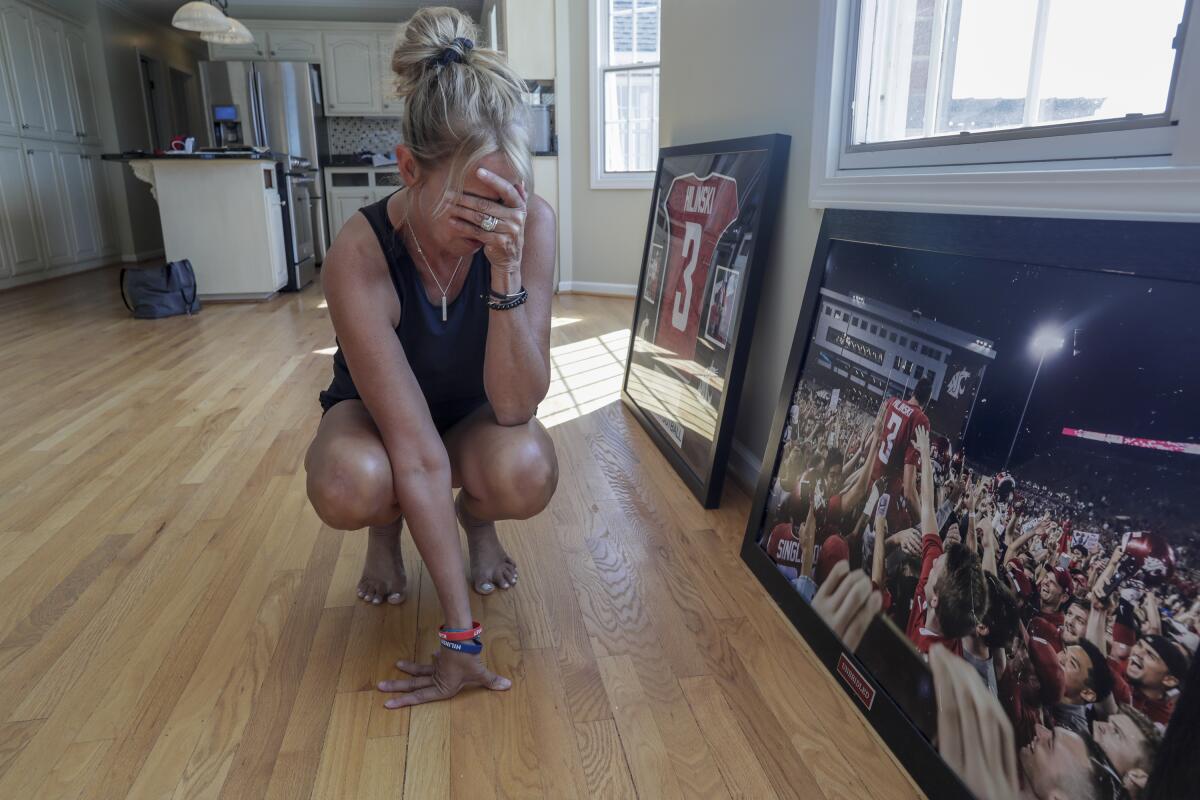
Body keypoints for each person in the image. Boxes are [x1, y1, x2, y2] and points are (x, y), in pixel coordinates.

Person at [303, 7, 558, 707]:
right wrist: (459, 638)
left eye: (507, 200)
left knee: (528, 467)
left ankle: (478, 521)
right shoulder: (358, 256)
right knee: (351, 481)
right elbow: (415, 453)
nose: (494, 223)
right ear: (408, 169)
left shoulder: (529, 228)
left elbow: (515, 405)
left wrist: (505, 274)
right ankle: (384, 531)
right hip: (384, 424)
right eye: (471, 209)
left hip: (474, 408)